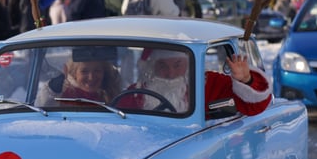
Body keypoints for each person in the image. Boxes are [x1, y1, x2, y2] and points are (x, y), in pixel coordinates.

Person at [131, 48, 271, 116]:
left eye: (177, 65)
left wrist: (246, 80)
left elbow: (254, 106)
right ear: (152, 67)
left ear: (188, 64)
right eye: (162, 66)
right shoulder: (136, 94)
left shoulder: (208, 84)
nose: (171, 73)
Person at [36, 46, 122, 106]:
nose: (91, 77)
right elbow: (42, 109)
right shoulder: (63, 95)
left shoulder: (112, 93)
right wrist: (52, 89)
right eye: (84, 71)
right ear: (74, 74)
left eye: (97, 71)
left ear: (104, 73)